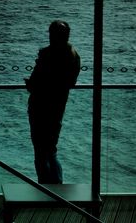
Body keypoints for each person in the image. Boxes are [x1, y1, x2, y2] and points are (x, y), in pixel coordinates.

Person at [25, 20, 80, 184]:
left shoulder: (47, 54)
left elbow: (35, 81)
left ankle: (46, 187)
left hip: (39, 105)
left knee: (40, 150)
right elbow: (70, 83)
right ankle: (56, 186)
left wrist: (33, 84)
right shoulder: (73, 55)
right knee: (50, 149)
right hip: (57, 106)